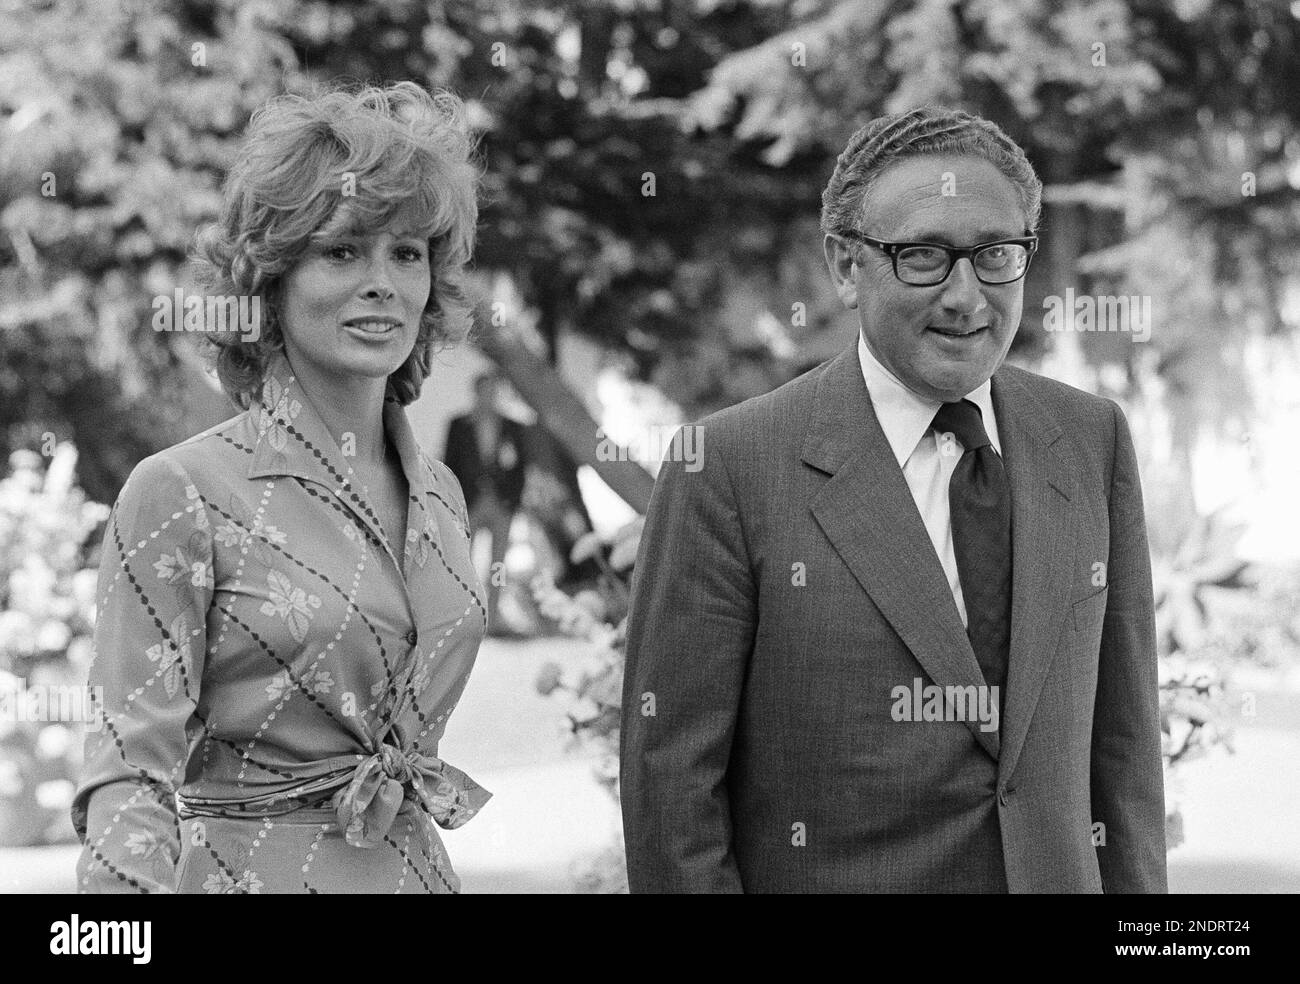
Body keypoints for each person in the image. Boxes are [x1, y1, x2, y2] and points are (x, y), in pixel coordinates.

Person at [620, 107, 1168, 893]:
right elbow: (672, 796)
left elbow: (1125, 755)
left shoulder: (1089, 439)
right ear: (845, 267)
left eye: (997, 256)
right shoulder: (729, 467)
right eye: (922, 257)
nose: (965, 296)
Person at [72, 82, 491, 893]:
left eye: (407, 254)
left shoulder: (440, 493)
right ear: (269, 282)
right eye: (343, 251)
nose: (383, 282)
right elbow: (128, 775)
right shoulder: (178, 491)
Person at [443, 373, 528, 629]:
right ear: (476, 393)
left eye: (495, 391)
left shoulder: (513, 427)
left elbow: (521, 468)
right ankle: (463, 613)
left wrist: (513, 501)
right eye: (486, 391)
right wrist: (453, 502)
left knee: (498, 565)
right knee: (462, 560)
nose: (490, 396)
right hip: (470, 503)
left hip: (501, 504)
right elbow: (450, 465)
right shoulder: (459, 425)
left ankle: (493, 614)